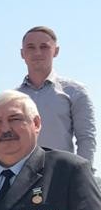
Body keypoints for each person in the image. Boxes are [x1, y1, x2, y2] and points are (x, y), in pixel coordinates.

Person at [17, 25, 95, 165]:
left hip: (61, 174)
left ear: (56, 51)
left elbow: (86, 139)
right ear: (22, 53)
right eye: (31, 47)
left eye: (44, 47)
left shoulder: (74, 92)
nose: (37, 52)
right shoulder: (14, 97)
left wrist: (84, 174)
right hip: (20, 176)